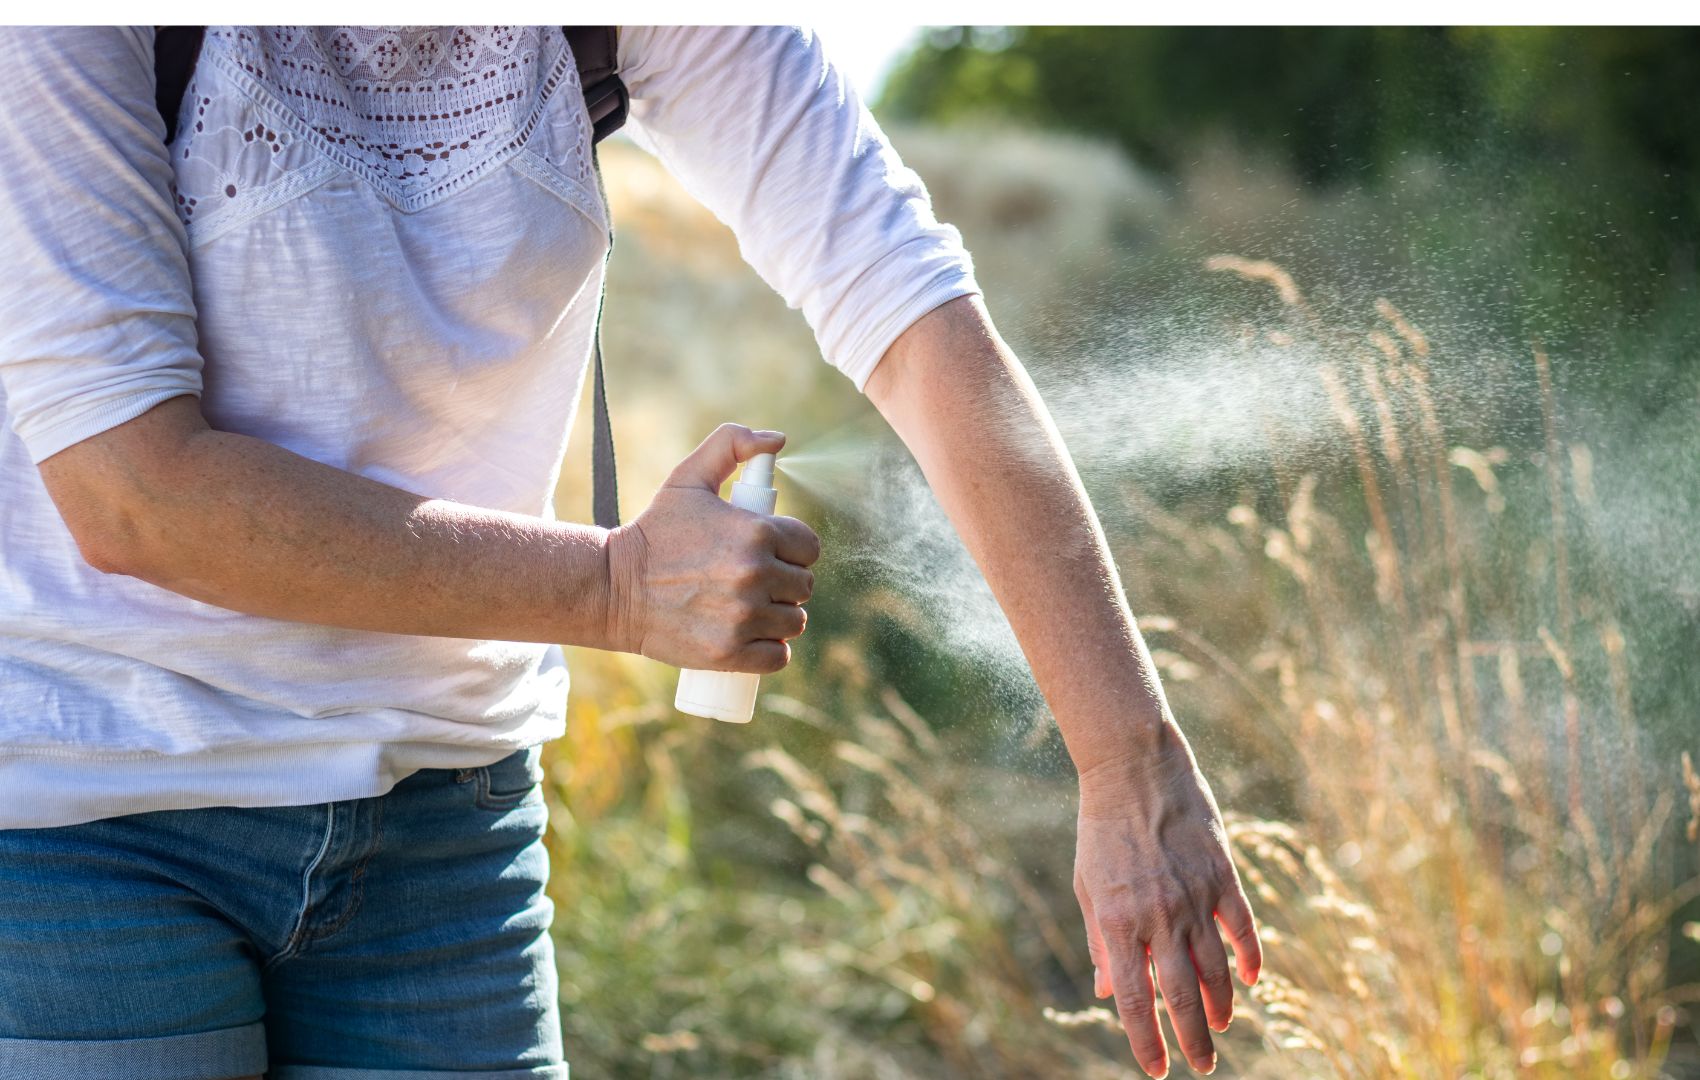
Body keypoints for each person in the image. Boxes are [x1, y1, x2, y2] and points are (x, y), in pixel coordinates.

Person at [0, 25, 1261, 1080]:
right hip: (91, 813)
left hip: (442, 819)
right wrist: (614, 587)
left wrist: (1123, 759)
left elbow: (918, 322)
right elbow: (134, 495)